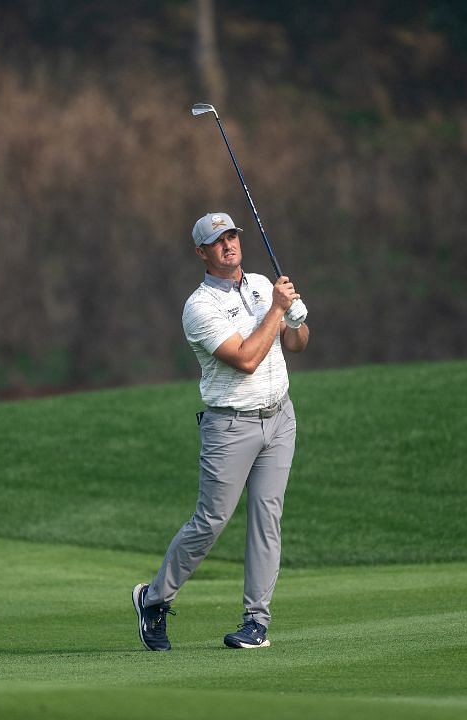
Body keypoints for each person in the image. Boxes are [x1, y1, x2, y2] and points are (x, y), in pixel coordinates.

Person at [132, 211, 310, 649]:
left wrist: (297, 320)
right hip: (230, 426)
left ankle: (256, 623)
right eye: (217, 241)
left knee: (267, 520)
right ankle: (154, 598)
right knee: (210, 521)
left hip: (280, 418)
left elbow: (296, 345)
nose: (228, 245)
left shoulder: (263, 286)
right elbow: (246, 359)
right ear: (202, 252)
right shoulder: (199, 307)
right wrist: (277, 310)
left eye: (231, 236)